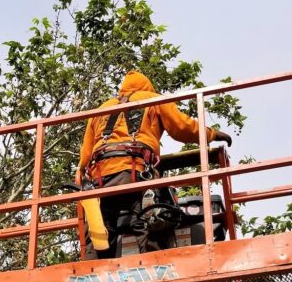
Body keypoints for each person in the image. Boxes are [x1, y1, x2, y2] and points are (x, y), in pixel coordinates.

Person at [78, 71, 232, 259]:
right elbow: (182, 127)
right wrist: (212, 134)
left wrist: (82, 175)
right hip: (134, 171)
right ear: (147, 86)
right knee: (147, 220)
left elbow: (85, 155)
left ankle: (92, 273)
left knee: (101, 228)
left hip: (101, 177)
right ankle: (152, 270)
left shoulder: (103, 108)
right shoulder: (152, 99)